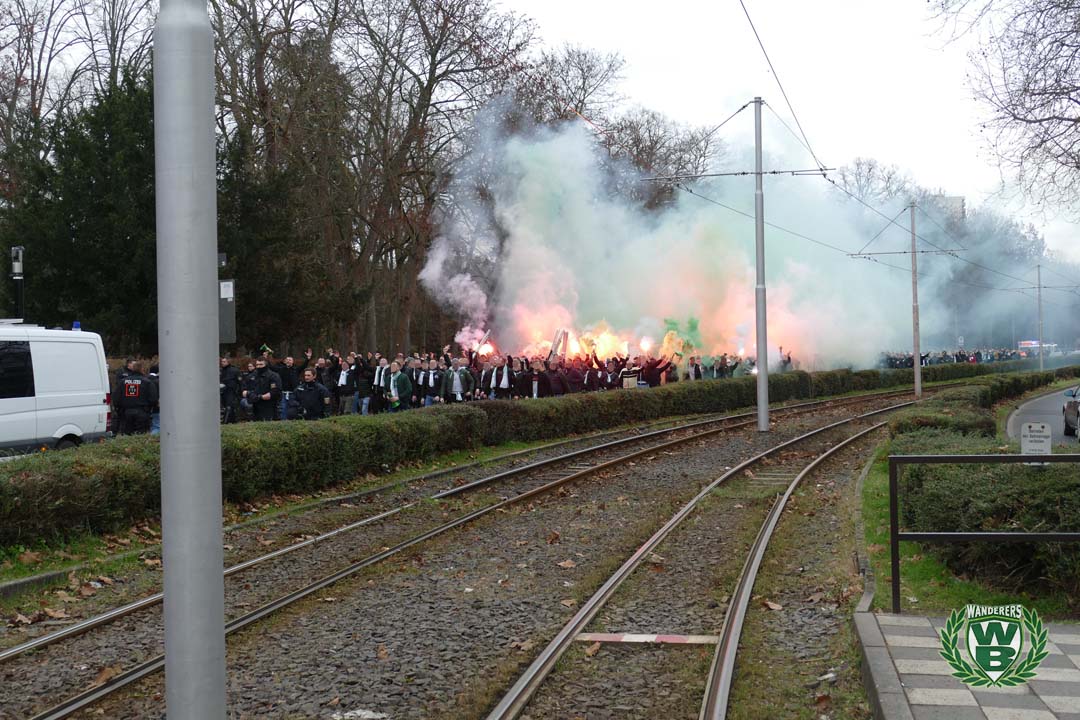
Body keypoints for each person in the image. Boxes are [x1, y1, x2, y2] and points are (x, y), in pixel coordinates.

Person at [116, 361, 158, 435]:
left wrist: (120, 410)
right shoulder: (147, 382)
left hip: (126, 412)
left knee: (127, 436)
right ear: (142, 369)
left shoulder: (123, 382)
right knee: (141, 436)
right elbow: (153, 399)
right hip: (142, 412)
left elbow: (116, 398)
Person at [272, 350, 311, 420]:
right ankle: (283, 422)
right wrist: (266, 358)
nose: (288, 361)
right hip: (283, 393)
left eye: (290, 360)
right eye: (287, 360)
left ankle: (292, 422)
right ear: (285, 361)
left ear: (292, 362)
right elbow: (271, 368)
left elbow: (304, 366)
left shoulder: (296, 370)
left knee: (293, 408)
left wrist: (308, 358)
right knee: (283, 408)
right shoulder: (281, 369)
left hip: (293, 393)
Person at [220, 356, 242, 423]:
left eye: (224, 362)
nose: (222, 363)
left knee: (229, 407)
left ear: (228, 362)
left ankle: (228, 421)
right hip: (222, 391)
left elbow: (240, 382)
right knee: (224, 407)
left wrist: (239, 392)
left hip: (231, 391)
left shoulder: (235, 370)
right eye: (222, 361)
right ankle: (226, 420)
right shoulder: (221, 370)